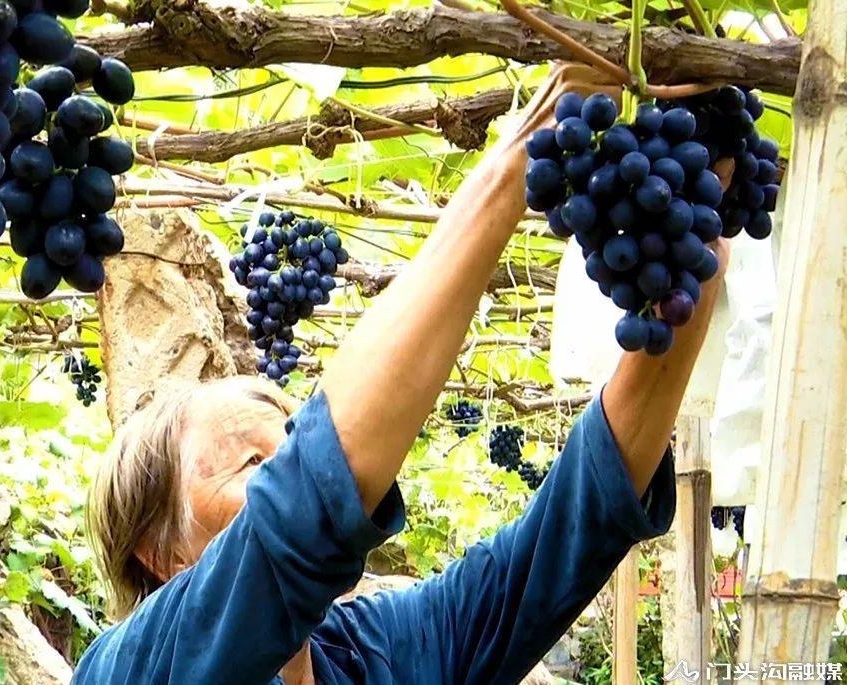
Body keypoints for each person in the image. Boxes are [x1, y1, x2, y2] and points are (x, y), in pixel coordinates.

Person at [72, 65, 730, 685]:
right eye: (255, 465)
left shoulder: (374, 652)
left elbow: (567, 535)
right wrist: (511, 169)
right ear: (161, 554)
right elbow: (305, 512)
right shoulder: (127, 667)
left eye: (287, 448)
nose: (293, 473)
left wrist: (689, 243)